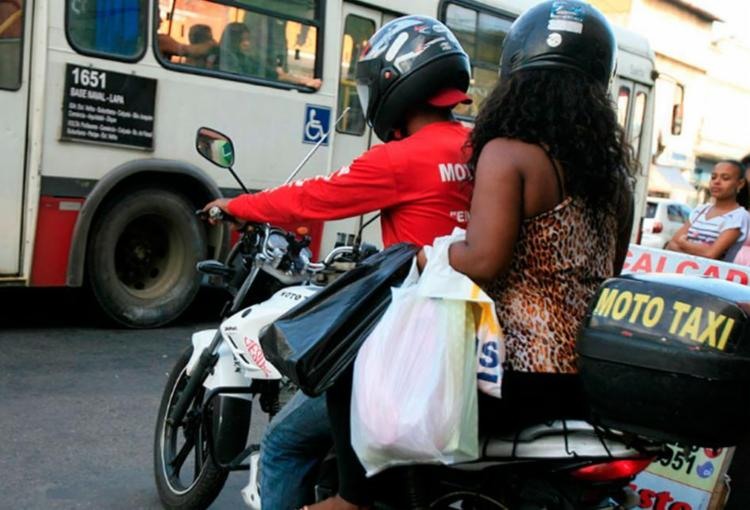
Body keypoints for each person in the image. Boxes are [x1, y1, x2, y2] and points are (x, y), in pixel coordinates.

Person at [320, 2, 636, 508]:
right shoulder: (616, 179)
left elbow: (484, 259)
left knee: (351, 363)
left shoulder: (509, 152)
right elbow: (611, 269)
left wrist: (430, 256)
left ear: (513, 71)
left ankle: (351, 500)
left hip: (511, 374)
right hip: (585, 378)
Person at [202, 16, 474, 510]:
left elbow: (311, 200)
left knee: (284, 442)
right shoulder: (482, 151)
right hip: (472, 338)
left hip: (411, 344)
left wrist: (236, 206)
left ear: (396, 84)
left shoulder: (400, 159)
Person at [666, 160, 750, 262]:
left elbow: (711, 254)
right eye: (713, 177)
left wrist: (684, 244)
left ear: (740, 184)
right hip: (683, 272)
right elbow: (672, 245)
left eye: (725, 178)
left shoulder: (739, 216)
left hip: (713, 276)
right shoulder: (700, 211)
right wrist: (700, 250)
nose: (717, 182)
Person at [218, 21, 321, 89]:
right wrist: (303, 81)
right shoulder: (226, 57)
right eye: (242, 40)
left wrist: (304, 80)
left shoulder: (245, 58)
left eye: (248, 39)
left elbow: (276, 75)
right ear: (232, 40)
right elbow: (278, 76)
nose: (247, 43)